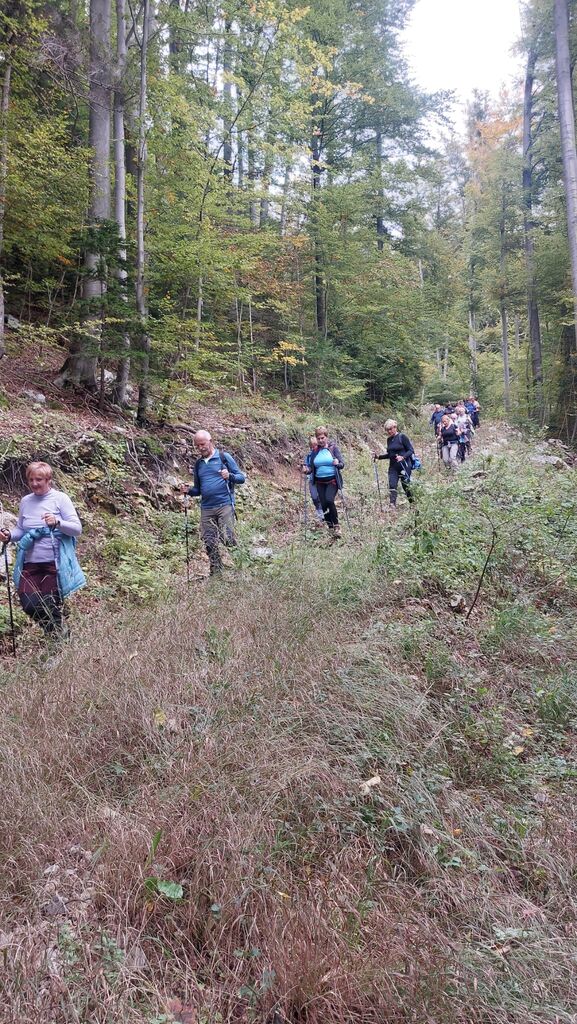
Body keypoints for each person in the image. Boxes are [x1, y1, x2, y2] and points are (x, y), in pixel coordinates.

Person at [0, 461, 84, 639]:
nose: (34, 483)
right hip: (30, 563)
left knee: (48, 604)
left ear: (48, 479)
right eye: (31, 479)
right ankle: (61, 634)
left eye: (39, 479)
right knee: (29, 604)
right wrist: (9, 535)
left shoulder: (60, 499)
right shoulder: (25, 501)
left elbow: (77, 529)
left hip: (54, 564)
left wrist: (57, 522)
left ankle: (58, 642)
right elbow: (21, 529)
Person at [186, 430, 246, 575]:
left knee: (227, 537)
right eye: (197, 445)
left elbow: (241, 478)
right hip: (207, 507)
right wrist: (188, 491)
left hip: (225, 504)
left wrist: (229, 475)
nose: (200, 448)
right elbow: (198, 490)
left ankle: (240, 567)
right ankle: (216, 571)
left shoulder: (224, 457)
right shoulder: (198, 464)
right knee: (209, 541)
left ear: (210, 441)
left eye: (203, 444)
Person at [305, 426, 345, 540]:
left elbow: (342, 464)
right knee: (323, 504)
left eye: (322, 438)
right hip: (319, 482)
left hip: (332, 480)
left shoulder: (333, 448)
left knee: (329, 500)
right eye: (318, 438)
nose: (320, 440)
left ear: (326, 437)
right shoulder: (315, 451)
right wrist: (306, 470)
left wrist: (337, 463)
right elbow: (311, 468)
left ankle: (337, 526)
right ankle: (330, 527)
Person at [373, 419, 415, 508]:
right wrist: (378, 457)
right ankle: (392, 505)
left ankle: (413, 504)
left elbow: (411, 450)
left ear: (395, 427)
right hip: (393, 467)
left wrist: (403, 457)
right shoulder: (389, 440)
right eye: (387, 430)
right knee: (392, 485)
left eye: (390, 429)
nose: (389, 431)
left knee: (406, 486)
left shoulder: (402, 437)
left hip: (404, 465)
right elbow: (390, 455)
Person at [302, 436, 325, 527]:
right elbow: (307, 467)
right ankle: (320, 516)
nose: (313, 447)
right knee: (314, 498)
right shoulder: (309, 456)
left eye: (315, 445)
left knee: (322, 497)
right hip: (312, 479)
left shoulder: (322, 454)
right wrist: (305, 469)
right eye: (311, 446)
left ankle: (325, 515)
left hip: (321, 478)